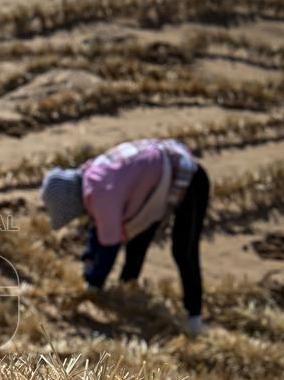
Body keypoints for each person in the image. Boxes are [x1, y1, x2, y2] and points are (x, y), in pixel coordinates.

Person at [40, 139, 211, 336]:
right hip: (155, 181)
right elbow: (99, 229)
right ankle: (127, 289)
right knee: (138, 240)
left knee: (183, 251)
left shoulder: (102, 195)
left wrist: (94, 283)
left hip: (188, 177)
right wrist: (89, 260)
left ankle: (194, 316)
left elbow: (108, 247)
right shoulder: (92, 176)